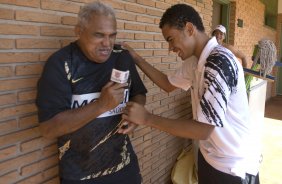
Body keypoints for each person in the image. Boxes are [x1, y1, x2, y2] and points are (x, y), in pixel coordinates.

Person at [121, 4, 260, 184]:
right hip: (209, 157)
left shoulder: (219, 62)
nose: (170, 48)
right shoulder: (195, 61)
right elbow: (167, 84)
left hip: (233, 166)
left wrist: (147, 118)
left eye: (171, 39)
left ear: (189, 29)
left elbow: (202, 129)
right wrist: (135, 58)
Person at [36, 2, 147, 184]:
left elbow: (139, 93)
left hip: (125, 167)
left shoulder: (121, 57)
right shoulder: (62, 64)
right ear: (79, 31)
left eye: (112, 35)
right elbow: (48, 128)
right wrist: (101, 105)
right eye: (99, 35)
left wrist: (135, 115)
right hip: (80, 175)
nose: (107, 43)